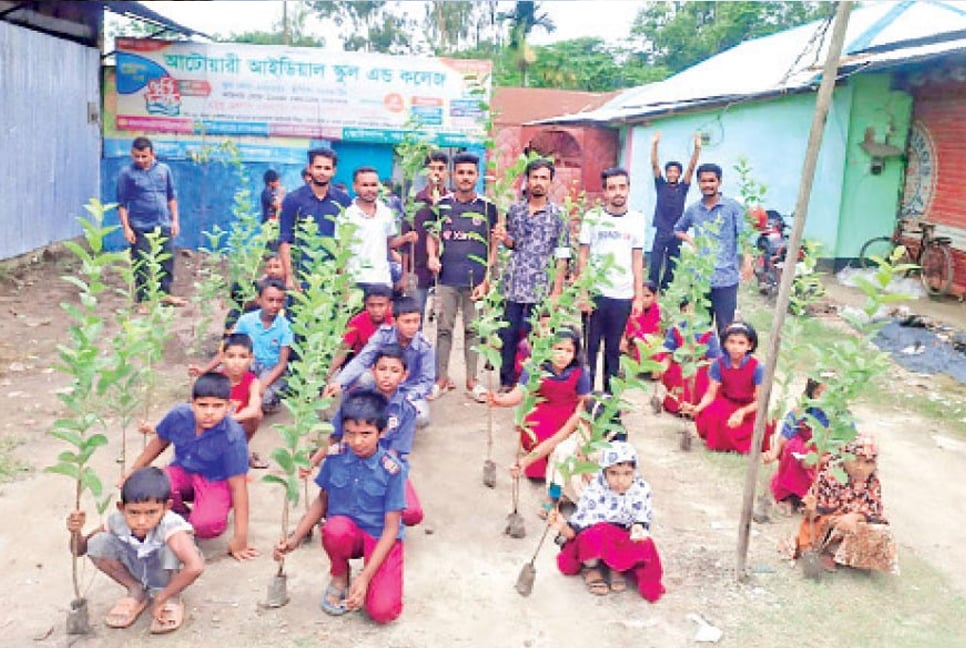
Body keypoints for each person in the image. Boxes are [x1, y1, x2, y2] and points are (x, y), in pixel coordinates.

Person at [275, 390, 408, 623]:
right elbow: (322, 501)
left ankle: (368, 575)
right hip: (347, 532)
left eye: (366, 434)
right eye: (350, 433)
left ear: (382, 431)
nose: (357, 441)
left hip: (379, 537)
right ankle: (339, 575)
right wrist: (295, 537)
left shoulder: (393, 470)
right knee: (334, 529)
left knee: (383, 611)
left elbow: (391, 529)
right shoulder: (335, 456)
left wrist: (366, 577)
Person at [128, 373, 258, 560]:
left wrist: (240, 539)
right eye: (203, 405)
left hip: (216, 482)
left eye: (217, 406)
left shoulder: (233, 437)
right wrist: (134, 470)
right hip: (182, 471)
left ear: (229, 407)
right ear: (192, 403)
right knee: (157, 488)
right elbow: (160, 442)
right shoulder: (178, 415)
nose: (209, 412)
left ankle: (209, 512)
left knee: (207, 525)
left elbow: (239, 487)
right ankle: (179, 518)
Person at [66, 467, 203, 634]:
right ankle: (136, 590)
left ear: (166, 507)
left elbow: (195, 566)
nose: (142, 521)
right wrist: (75, 532)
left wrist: (161, 598)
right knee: (98, 543)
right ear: (122, 508)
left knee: (172, 547)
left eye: (151, 512)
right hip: (141, 568)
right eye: (134, 512)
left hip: (167, 574)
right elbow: (81, 549)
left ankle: (172, 597)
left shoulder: (171, 525)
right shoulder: (117, 520)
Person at [308, 346, 422, 526]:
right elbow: (333, 436)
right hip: (352, 459)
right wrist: (312, 462)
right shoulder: (355, 400)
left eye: (395, 371)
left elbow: (395, 452)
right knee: (334, 484)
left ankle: (379, 521)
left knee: (412, 513)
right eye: (382, 369)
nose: (387, 375)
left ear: (404, 375)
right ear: (372, 370)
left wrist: (380, 480)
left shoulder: (407, 410)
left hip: (386, 468)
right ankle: (323, 516)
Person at [549, 441, 665, 601]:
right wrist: (561, 525)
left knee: (645, 544)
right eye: (614, 473)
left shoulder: (640, 490)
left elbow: (641, 518)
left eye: (627, 473)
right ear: (604, 472)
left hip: (620, 540)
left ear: (635, 471)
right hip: (594, 541)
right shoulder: (595, 491)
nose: (620, 480)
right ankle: (591, 568)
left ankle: (614, 565)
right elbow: (574, 531)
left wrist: (637, 529)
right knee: (599, 532)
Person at [492, 158, 571, 390]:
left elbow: (563, 255)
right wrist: (505, 239)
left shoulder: (558, 215)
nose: (538, 183)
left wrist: (556, 292)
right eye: (534, 177)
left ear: (550, 182)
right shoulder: (515, 210)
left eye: (543, 178)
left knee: (540, 338)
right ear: (527, 180)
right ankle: (507, 382)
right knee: (508, 336)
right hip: (514, 285)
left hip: (542, 288)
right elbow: (514, 244)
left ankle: (536, 383)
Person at [426, 152, 497, 403]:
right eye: (461, 173)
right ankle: (441, 380)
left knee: (473, 331)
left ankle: (472, 381)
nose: (465, 178)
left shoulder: (488, 208)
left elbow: (493, 244)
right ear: (453, 175)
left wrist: (487, 277)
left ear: (477, 176)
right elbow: (432, 236)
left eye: (470, 173)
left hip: (475, 281)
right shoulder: (442, 205)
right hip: (446, 279)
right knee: (443, 329)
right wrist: (432, 256)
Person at [578, 167, 647, 393]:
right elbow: (583, 256)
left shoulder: (637, 220)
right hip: (596, 294)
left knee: (613, 351)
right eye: (612, 188)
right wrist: (583, 293)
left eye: (622, 187)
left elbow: (637, 260)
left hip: (622, 295)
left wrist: (637, 297)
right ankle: (586, 398)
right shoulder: (593, 218)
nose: (618, 192)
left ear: (628, 189)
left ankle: (609, 401)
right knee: (589, 350)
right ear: (604, 192)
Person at [489, 328, 590, 480]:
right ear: (548, 348)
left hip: (569, 419)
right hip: (540, 418)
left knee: (566, 453)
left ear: (575, 353)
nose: (562, 355)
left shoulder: (580, 372)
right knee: (539, 465)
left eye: (569, 351)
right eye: (558, 349)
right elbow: (519, 394)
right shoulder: (536, 367)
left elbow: (584, 404)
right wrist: (500, 401)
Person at [795, 434, 898, 574]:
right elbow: (815, 515)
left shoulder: (872, 483)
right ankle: (825, 552)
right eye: (856, 460)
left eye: (868, 462)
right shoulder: (830, 475)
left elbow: (874, 514)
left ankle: (847, 554)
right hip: (827, 525)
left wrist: (856, 516)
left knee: (882, 532)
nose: (861, 468)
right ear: (844, 458)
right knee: (819, 526)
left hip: (851, 524)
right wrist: (811, 510)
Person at [511, 392, 626, 514]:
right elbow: (553, 441)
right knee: (562, 450)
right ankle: (554, 496)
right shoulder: (580, 418)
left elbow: (614, 481)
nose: (582, 418)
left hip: (595, 476)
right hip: (577, 457)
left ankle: (584, 502)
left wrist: (584, 466)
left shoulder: (616, 440)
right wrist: (524, 462)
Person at [328, 298, 434, 427]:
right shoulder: (383, 335)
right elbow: (362, 360)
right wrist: (339, 382)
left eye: (416, 321)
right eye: (407, 321)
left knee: (421, 417)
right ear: (394, 321)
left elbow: (427, 381)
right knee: (363, 379)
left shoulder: (425, 347)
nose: (412, 326)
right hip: (380, 384)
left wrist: (408, 397)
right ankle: (355, 418)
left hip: (408, 389)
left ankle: (398, 429)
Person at [674, 163, 753, 337]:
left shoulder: (732, 207)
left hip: (726, 278)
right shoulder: (694, 209)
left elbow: (744, 235)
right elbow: (678, 229)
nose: (708, 185)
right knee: (700, 330)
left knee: (726, 329)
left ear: (719, 182)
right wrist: (691, 241)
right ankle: (704, 363)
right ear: (698, 183)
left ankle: (725, 362)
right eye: (704, 181)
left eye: (712, 181)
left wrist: (747, 261)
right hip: (700, 279)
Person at [116, 136, 185, 306]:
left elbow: (171, 197)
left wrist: (175, 221)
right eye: (136, 156)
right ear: (132, 154)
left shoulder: (164, 170)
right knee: (142, 264)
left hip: (163, 224)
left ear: (152, 154)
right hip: (140, 226)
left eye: (144, 156)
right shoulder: (127, 174)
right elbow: (122, 204)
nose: (140, 160)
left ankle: (164, 295)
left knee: (166, 260)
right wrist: (127, 229)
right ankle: (144, 302)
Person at [685, 321, 770, 453]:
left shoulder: (757, 368)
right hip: (727, 403)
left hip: (748, 407)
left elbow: (761, 400)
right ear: (724, 343)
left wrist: (742, 412)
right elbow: (711, 394)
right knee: (712, 414)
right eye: (732, 341)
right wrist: (697, 408)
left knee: (763, 422)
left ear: (750, 345)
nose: (735, 347)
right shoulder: (718, 364)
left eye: (741, 343)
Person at [278, 147, 352, 290]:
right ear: (310, 168)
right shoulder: (293, 199)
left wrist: (343, 281)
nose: (322, 172)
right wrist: (289, 276)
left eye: (327, 168)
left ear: (333, 171)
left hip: (331, 275)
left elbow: (344, 243)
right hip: (301, 274)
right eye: (318, 167)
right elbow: (285, 239)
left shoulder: (343, 201)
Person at [189, 333, 266, 469]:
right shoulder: (214, 380)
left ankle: (242, 448)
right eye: (231, 356)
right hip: (211, 424)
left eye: (242, 356)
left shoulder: (253, 382)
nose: (236, 362)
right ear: (223, 358)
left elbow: (254, 409)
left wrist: (229, 419)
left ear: (251, 359)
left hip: (236, 424)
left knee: (257, 415)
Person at [338, 166, 418, 291]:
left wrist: (405, 238)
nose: (370, 189)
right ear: (355, 187)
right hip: (355, 281)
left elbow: (389, 243)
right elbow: (340, 252)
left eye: (373, 185)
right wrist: (344, 286)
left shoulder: (385, 212)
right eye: (365, 185)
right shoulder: (347, 215)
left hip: (382, 279)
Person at [764, 378, 829, 513]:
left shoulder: (842, 419)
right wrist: (773, 454)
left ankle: (811, 498)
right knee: (792, 447)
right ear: (810, 393)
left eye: (828, 393)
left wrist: (816, 459)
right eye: (818, 393)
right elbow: (785, 436)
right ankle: (789, 496)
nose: (822, 398)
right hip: (803, 449)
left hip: (824, 454)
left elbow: (845, 450)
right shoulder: (801, 411)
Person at [230, 278, 292, 413]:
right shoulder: (246, 320)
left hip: (271, 369)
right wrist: (206, 369)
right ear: (259, 300)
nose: (275, 305)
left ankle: (271, 402)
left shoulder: (285, 327)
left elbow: (282, 364)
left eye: (279, 301)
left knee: (262, 397)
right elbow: (231, 347)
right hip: (249, 364)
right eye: (270, 300)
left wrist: (262, 385)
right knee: (227, 381)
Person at [649, 131, 701, 291]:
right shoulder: (661, 185)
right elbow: (654, 165)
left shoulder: (683, 187)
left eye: (675, 171)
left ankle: (665, 289)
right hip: (662, 229)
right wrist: (655, 144)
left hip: (677, 230)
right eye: (669, 171)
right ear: (666, 173)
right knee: (656, 262)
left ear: (679, 174)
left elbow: (691, 169)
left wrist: (697, 149)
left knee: (672, 263)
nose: (672, 173)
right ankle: (651, 289)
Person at [402, 152, 450, 320]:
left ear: (447, 172)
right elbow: (404, 241)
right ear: (424, 172)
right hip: (419, 269)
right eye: (431, 169)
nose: (436, 173)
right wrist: (404, 273)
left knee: (444, 322)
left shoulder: (452, 202)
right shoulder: (415, 202)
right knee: (415, 317)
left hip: (447, 272)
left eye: (441, 169)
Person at [655, 299, 721, 415]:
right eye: (685, 311)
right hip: (679, 369)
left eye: (694, 312)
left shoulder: (708, 334)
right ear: (681, 312)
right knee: (675, 374)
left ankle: (696, 406)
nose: (690, 315)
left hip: (700, 370)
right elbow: (668, 356)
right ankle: (673, 402)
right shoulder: (676, 330)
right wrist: (660, 371)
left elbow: (713, 362)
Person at [330, 284, 395, 376]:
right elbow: (343, 350)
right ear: (365, 305)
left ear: (390, 305)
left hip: (391, 369)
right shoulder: (356, 321)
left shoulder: (396, 321)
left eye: (381, 305)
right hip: (363, 367)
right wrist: (327, 375)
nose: (376, 310)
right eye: (371, 305)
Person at [223, 251, 286, 335]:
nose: (272, 271)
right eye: (269, 267)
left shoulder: (289, 286)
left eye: (276, 267)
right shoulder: (261, 284)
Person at [621, 280, 662, 365]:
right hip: (631, 339)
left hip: (648, 341)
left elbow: (654, 332)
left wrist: (638, 327)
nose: (644, 300)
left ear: (655, 296)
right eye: (642, 296)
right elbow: (625, 327)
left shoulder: (656, 310)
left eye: (648, 296)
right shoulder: (631, 306)